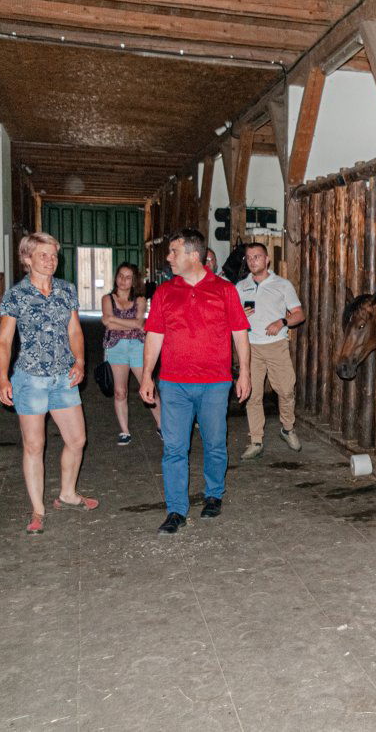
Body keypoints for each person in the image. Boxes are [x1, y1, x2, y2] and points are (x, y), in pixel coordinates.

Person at [140, 228, 251, 535]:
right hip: (174, 383)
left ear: (193, 255)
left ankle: (214, 493)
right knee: (174, 448)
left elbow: (240, 334)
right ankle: (176, 509)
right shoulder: (164, 292)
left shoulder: (224, 290)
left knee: (214, 443)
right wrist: (147, 374)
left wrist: (245, 372)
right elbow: (154, 336)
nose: (168, 257)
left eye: (174, 251)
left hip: (215, 382)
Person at [0, 232, 98, 535]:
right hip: (30, 378)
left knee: (77, 439)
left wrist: (79, 361)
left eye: (54, 255)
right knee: (34, 445)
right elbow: (4, 341)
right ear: (27, 258)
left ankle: (68, 493)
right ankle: (37, 510)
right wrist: (2, 377)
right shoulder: (16, 295)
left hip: (63, 377)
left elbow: (76, 331)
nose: (51, 260)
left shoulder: (66, 290)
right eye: (44, 255)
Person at [236, 243, 305, 460]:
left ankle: (287, 428)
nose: (253, 261)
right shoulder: (240, 286)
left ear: (267, 260)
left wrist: (283, 320)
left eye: (257, 257)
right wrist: (240, 316)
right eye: (249, 257)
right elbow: (230, 318)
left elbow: (299, 314)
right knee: (252, 395)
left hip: (276, 345)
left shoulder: (282, 285)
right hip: (250, 347)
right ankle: (256, 440)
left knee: (285, 390)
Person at [101, 262, 161, 445]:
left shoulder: (140, 299)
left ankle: (162, 425)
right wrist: (131, 323)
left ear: (134, 281)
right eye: (120, 276)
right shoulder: (107, 299)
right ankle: (124, 431)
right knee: (120, 392)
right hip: (115, 347)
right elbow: (109, 324)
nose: (123, 281)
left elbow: (138, 324)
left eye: (128, 277)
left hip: (138, 346)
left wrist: (114, 319)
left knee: (149, 388)